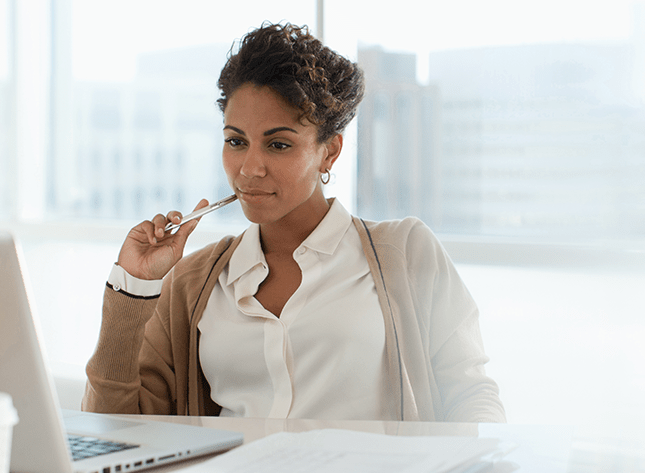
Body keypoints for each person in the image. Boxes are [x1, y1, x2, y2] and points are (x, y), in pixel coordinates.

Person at [82, 22, 506, 423]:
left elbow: (471, 397)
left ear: (329, 152)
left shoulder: (405, 252)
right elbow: (117, 432)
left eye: (278, 144)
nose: (249, 169)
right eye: (236, 141)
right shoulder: (193, 283)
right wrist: (134, 285)